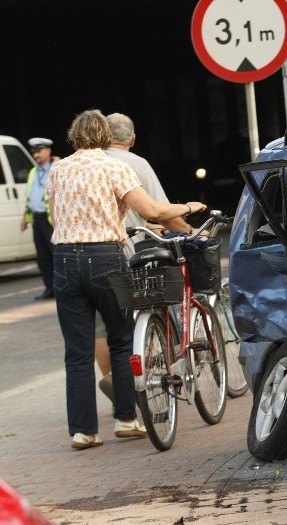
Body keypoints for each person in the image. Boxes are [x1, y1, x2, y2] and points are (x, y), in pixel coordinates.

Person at [45, 108, 207, 450]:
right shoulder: (114, 166)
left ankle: (83, 431)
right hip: (104, 256)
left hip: (63, 260)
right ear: (105, 137)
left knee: (77, 351)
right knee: (120, 340)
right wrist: (189, 207)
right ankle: (126, 420)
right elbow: (153, 212)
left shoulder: (58, 169)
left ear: (74, 137)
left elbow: (56, 211)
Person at [94, 112, 195, 402]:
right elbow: (160, 211)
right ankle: (159, 364)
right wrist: (190, 229)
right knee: (159, 304)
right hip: (134, 250)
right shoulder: (136, 163)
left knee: (103, 325)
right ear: (133, 139)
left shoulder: (87, 163)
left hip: (92, 253)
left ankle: (118, 389)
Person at [20, 137, 57, 300]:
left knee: (55, 254)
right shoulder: (33, 172)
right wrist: (25, 218)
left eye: (39, 151)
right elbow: (30, 197)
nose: (36, 155)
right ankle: (49, 288)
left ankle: (60, 288)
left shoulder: (56, 169)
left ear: (48, 151)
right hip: (37, 218)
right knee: (42, 257)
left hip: (51, 220)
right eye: (34, 152)